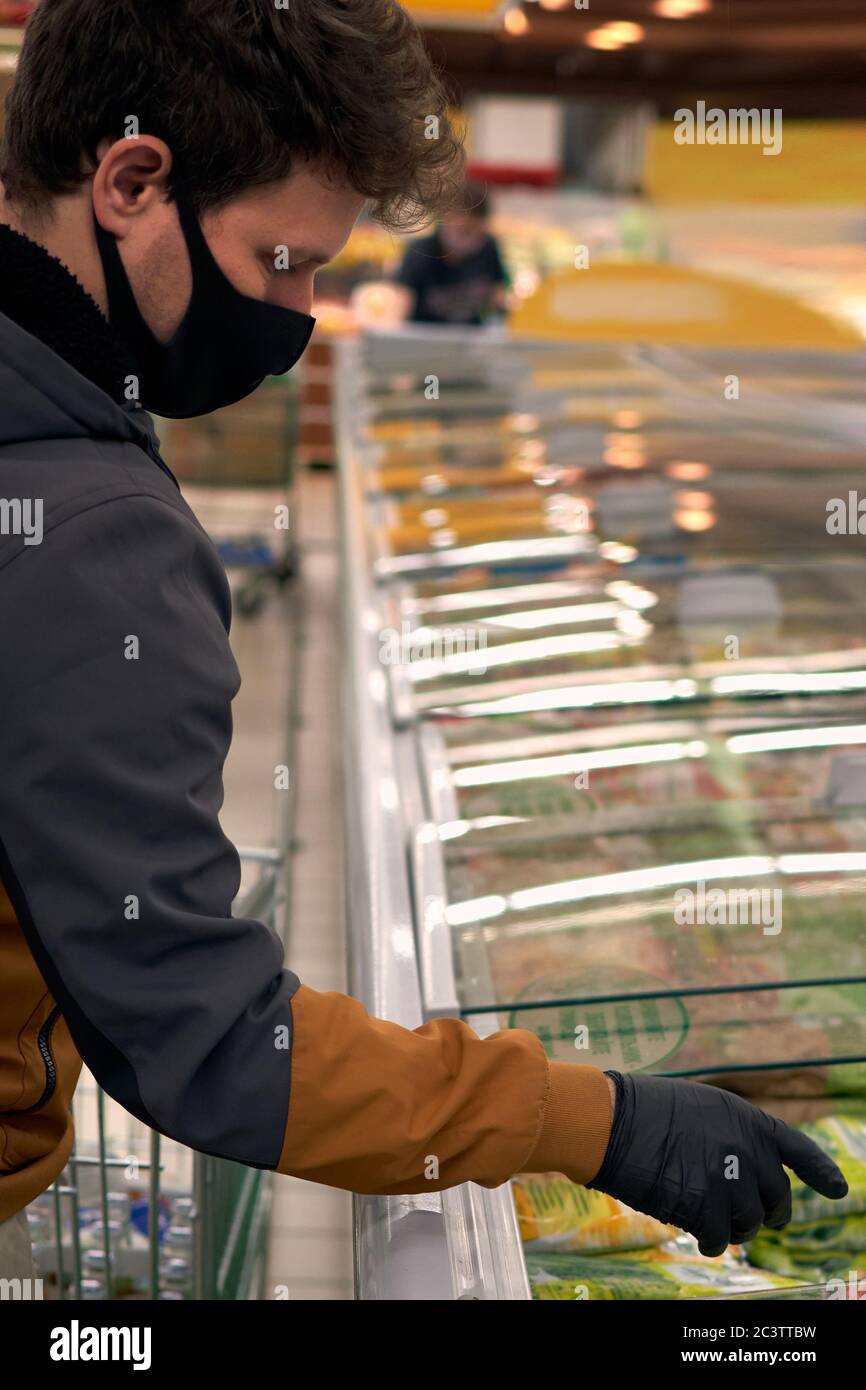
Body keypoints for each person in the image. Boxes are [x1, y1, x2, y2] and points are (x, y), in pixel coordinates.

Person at [0, 0, 847, 1284]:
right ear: (130, 181)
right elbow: (210, 1041)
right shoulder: (92, 536)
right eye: (283, 261)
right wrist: (597, 1120)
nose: (299, 315)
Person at [396, 180, 509, 325]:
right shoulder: (420, 253)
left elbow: (497, 295)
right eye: (464, 231)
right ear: (443, 221)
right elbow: (401, 306)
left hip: (470, 341)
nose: (470, 238)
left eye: (477, 232)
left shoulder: (488, 247)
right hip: (425, 339)